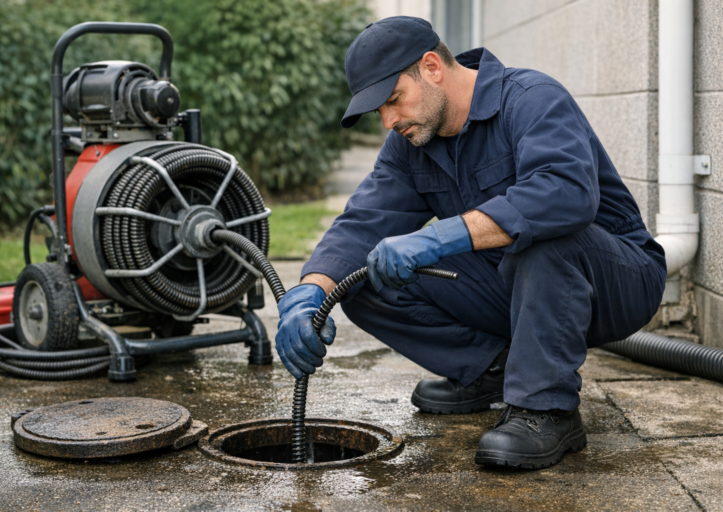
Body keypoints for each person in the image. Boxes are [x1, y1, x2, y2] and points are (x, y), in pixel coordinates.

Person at [275, 16, 666, 469]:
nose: (387, 121)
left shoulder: (531, 98)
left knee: (540, 234)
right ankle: (493, 368)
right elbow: (365, 221)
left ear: (432, 67)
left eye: (393, 100)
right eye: (378, 111)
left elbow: (565, 193)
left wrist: (441, 235)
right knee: (363, 278)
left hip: (614, 280)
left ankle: (546, 408)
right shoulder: (410, 143)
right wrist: (311, 291)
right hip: (512, 282)